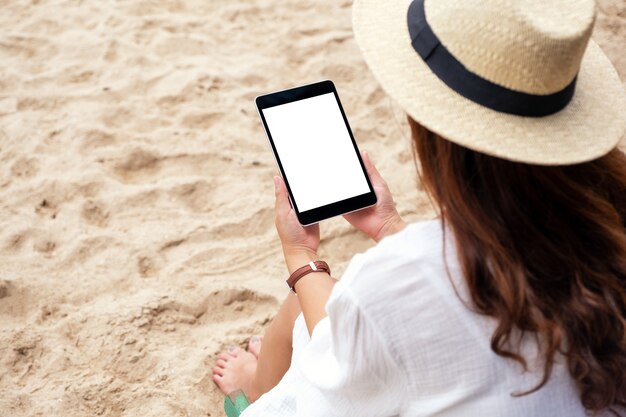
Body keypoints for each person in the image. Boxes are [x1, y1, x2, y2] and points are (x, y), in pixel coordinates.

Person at [212, 0, 626, 415]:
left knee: (304, 311)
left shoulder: (401, 274)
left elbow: (339, 373)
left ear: (436, 139)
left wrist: (301, 256)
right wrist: (389, 226)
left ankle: (254, 389)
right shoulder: (606, 221)